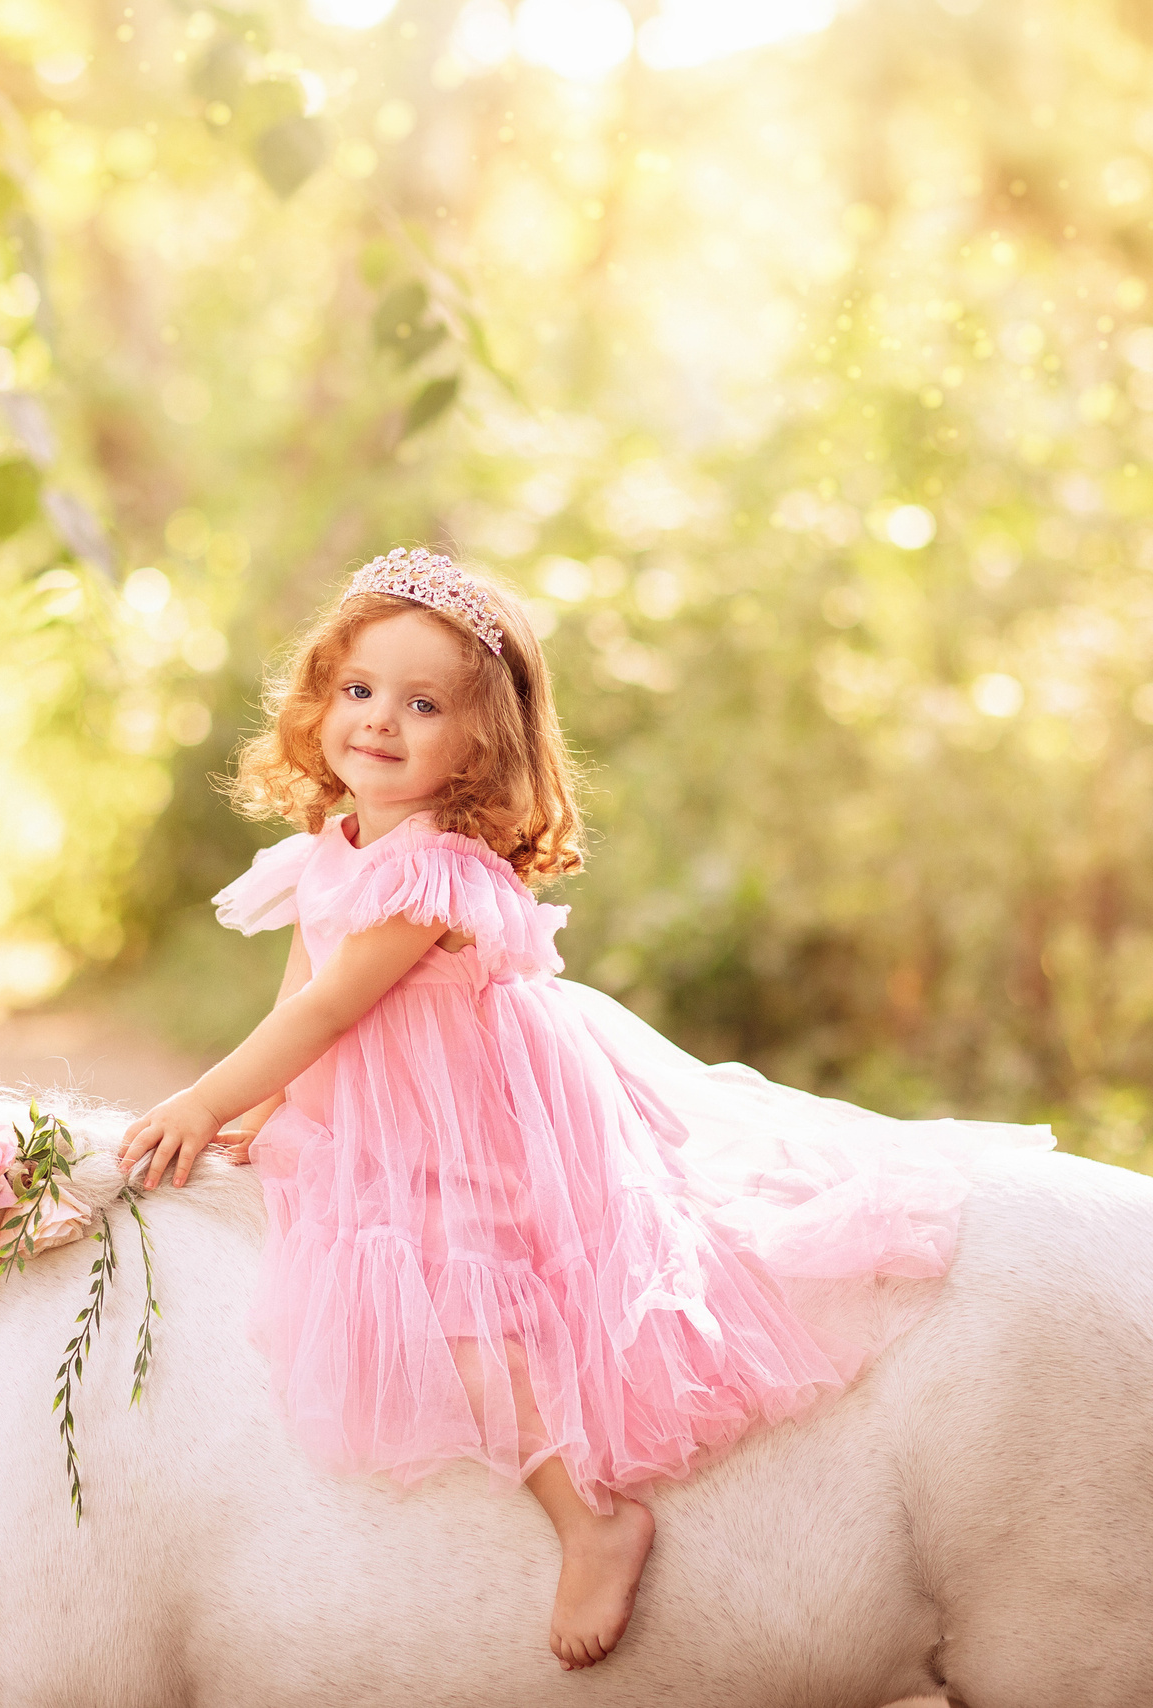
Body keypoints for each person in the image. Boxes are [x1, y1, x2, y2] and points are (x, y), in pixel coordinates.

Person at [117, 547, 1048, 1670]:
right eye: (359, 690)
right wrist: (260, 1109)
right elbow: (302, 993)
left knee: (448, 1292)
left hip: (475, 1112)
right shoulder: (343, 844)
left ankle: (588, 1517)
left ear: (481, 745)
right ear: (320, 696)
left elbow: (326, 1012)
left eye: (423, 705)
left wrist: (202, 1095)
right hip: (393, 1092)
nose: (379, 722)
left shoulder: (434, 872)